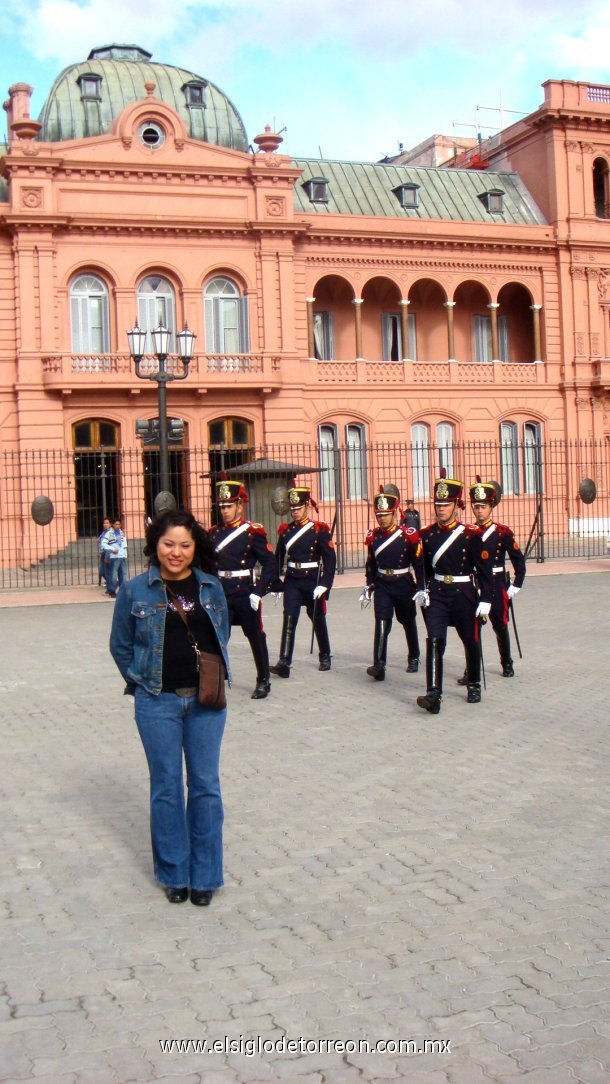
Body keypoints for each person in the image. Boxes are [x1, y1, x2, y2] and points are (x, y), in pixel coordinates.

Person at [109, 511, 231, 907]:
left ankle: (206, 876)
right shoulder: (134, 591)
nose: (175, 552)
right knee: (166, 788)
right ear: (154, 545)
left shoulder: (210, 586)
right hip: (156, 701)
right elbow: (120, 645)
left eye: (184, 545)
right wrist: (142, 679)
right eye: (168, 544)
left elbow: (222, 634)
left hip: (205, 702)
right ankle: (175, 873)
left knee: (206, 787)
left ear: (194, 548)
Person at [415, 471, 493, 714]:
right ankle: (434, 693)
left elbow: (484, 570)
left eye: (445, 504)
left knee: (470, 638)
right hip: (438, 591)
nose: (441, 509)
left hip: (463, 592)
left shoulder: (471, 535)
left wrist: (486, 599)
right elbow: (424, 566)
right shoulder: (427, 535)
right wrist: (422, 588)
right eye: (438, 504)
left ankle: (473, 683)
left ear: (456, 506)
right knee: (434, 640)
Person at [207, 478, 276, 699]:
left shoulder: (252, 532)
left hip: (245, 592)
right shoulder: (213, 534)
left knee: (256, 636)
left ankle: (263, 680)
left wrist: (259, 591)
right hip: (221, 593)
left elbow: (270, 563)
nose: (225, 511)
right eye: (222, 507)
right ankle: (214, 681)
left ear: (239, 506)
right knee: (217, 638)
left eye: (229, 506)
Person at [461, 477, 526, 678]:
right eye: (476, 507)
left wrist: (516, 584)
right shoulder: (468, 533)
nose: (479, 511)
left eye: (483, 506)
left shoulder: (502, 533)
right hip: (476, 585)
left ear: (491, 507)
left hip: (497, 585)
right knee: (472, 630)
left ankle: (506, 662)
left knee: (500, 625)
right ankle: (471, 669)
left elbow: (518, 560)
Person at [270, 483, 336, 677]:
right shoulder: (286, 531)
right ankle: (284, 661)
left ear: (307, 506)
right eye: (293, 509)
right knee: (289, 617)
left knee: (317, 617)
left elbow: (330, 560)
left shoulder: (319, 530)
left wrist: (325, 584)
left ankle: (325, 654)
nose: (295, 512)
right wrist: (274, 582)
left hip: (312, 580)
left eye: (299, 508)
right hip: (293, 580)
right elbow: (278, 558)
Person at [362, 486, 424, 681]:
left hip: (403, 582)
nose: (382, 518)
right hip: (383, 584)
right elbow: (371, 563)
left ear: (394, 513)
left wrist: (422, 586)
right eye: (379, 514)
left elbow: (418, 564)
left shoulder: (408, 536)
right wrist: (369, 584)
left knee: (407, 620)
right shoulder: (374, 537)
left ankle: (414, 656)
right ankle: (379, 664)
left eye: (386, 514)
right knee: (381, 621)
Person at [103, 518, 128, 595]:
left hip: (122, 556)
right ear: (113, 525)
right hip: (114, 556)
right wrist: (112, 549)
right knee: (113, 575)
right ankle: (113, 590)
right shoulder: (109, 533)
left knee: (123, 575)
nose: (118, 526)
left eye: (119, 524)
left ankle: (122, 591)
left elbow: (124, 544)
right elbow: (104, 544)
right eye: (116, 524)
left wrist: (125, 553)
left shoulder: (121, 533)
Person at [98, 517, 112, 591]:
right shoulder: (104, 532)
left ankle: (111, 586)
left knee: (106, 571)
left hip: (107, 553)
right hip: (103, 553)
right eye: (104, 523)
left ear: (110, 524)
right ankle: (110, 583)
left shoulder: (110, 532)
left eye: (107, 523)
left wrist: (107, 556)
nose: (105, 524)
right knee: (102, 571)